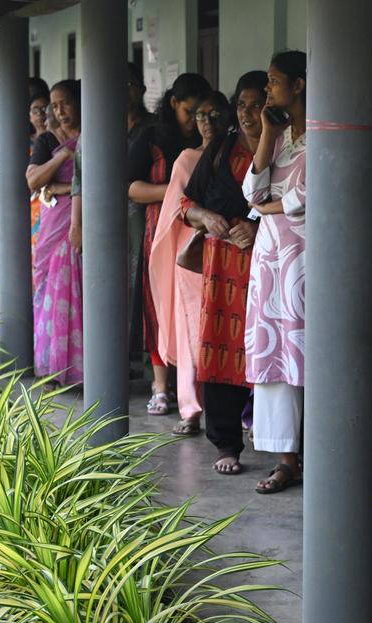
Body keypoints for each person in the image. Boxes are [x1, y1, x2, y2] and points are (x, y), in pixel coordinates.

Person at [181, 74, 266, 472]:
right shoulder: (221, 149)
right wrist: (207, 216)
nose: (249, 114)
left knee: (270, 345)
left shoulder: (285, 150)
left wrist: (259, 227)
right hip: (223, 267)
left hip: (270, 264)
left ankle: (278, 438)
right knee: (221, 346)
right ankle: (227, 443)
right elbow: (187, 204)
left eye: (258, 104)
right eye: (243, 105)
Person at [243, 51, 307, 494]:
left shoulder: (324, 135)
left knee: (310, 351)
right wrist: (268, 131)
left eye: (273, 81)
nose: (268, 90)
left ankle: (320, 453)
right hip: (269, 264)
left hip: (306, 262)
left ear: (299, 85)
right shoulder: (281, 138)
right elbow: (252, 191)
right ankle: (287, 458)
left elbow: (305, 196)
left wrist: (270, 205)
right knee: (277, 353)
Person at [129, 72, 212, 415]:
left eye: (202, 114)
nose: (195, 121)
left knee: (197, 307)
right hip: (159, 230)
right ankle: (161, 386)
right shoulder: (151, 135)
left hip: (197, 231)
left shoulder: (213, 141)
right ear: (174, 103)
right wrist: (177, 193)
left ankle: (195, 388)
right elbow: (132, 188)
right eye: (189, 112)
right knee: (158, 303)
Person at [148, 89, 230, 436]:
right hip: (194, 254)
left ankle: (238, 411)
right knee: (192, 331)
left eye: (214, 114)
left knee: (228, 329)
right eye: (200, 114)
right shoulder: (186, 159)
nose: (207, 122)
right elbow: (175, 210)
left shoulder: (237, 154)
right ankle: (191, 407)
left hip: (232, 249)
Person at [29, 80, 83, 385]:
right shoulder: (48, 140)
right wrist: (63, 155)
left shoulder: (94, 133)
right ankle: (51, 363)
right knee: (47, 287)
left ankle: (81, 366)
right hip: (54, 225)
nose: (60, 110)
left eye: (66, 103)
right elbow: (34, 180)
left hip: (83, 220)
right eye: (55, 104)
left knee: (82, 288)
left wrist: (61, 187)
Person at [127, 62, 157, 367]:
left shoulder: (152, 128)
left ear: (142, 88)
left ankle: (145, 359)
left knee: (142, 281)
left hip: (143, 217)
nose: (125, 93)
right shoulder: (103, 129)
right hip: (111, 220)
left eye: (130, 85)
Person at [28, 81, 51, 253]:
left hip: (53, 202)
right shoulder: (25, 142)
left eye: (45, 109)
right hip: (31, 205)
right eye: (36, 110)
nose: (41, 115)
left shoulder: (59, 140)